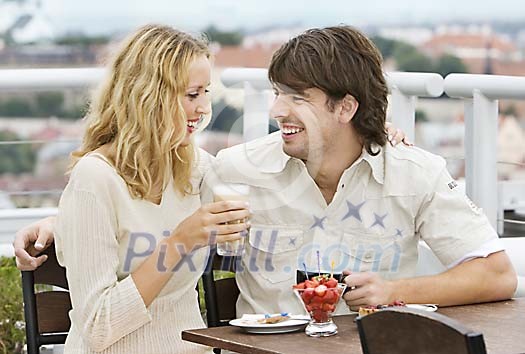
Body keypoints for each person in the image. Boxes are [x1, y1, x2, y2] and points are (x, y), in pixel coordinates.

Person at [201, 25, 517, 315]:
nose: (277, 111)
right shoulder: (236, 168)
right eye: (277, 93)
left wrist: (392, 291)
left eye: (298, 98)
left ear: (346, 108)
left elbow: (497, 274)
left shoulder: (414, 173)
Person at [23, 24, 251, 354]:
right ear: (148, 96)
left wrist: (58, 223)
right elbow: (99, 328)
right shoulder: (94, 179)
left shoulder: (196, 167)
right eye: (191, 94)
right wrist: (179, 242)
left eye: (206, 93)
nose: (204, 109)